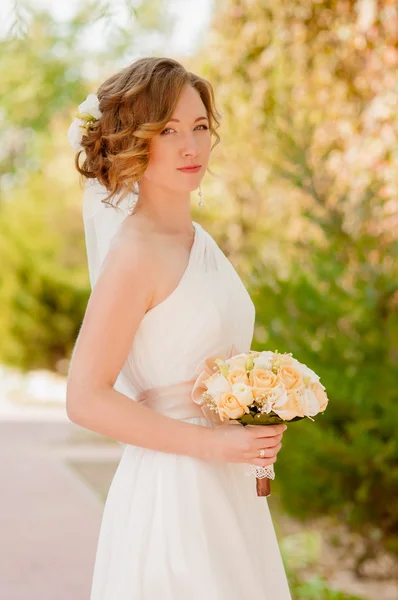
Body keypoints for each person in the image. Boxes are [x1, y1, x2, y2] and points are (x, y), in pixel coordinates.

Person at [66, 57, 292, 600]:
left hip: (227, 488)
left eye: (198, 127)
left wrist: (257, 411)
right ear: (132, 142)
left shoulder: (201, 242)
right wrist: (212, 446)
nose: (190, 147)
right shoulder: (135, 254)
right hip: (174, 491)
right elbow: (85, 398)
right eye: (167, 131)